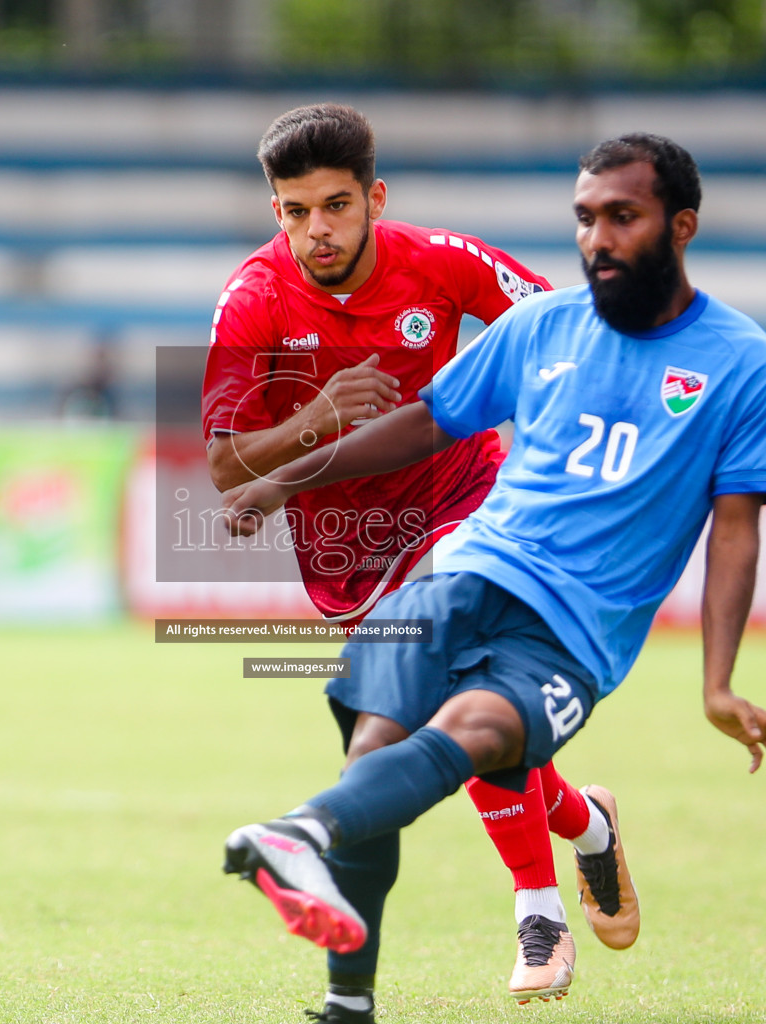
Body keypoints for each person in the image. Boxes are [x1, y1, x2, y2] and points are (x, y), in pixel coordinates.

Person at [218, 132, 766, 1009]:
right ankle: (567, 833)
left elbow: (734, 528)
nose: (597, 238)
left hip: (483, 534)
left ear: (680, 227)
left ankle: (534, 909)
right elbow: (265, 455)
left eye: (621, 217)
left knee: (472, 723)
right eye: (585, 219)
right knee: (384, 743)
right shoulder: (261, 296)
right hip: (392, 552)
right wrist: (291, 468)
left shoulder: (741, 363)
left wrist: (719, 683)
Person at [201, 104, 634, 1019]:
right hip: (348, 551)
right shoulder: (253, 299)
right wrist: (317, 415)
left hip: (467, 504)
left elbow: (572, 332)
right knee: (438, 731)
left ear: (374, 198)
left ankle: (538, 909)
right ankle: (587, 825)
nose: (316, 229)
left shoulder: (443, 261)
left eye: (335, 204)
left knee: (460, 691)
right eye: (293, 211)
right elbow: (225, 465)